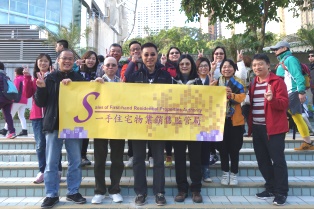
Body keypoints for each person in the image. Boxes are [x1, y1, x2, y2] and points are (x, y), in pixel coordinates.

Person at [35, 49, 86, 208]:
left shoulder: (79, 78)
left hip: (74, 125)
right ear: (58, 60)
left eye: (70, 59)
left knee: (75, 161)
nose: (67, 61)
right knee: (51, 162)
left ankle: (73, 192)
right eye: (64, 58)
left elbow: (86, 101)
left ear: (73, 61)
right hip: (53, 125)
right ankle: (51, 194)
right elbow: (41, 103)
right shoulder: (50, 78)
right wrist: (41, 88)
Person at [125, 42, 172, 206]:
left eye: (152, 54)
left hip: (158, 125)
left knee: (158, 160)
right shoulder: (134, 77)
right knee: (138, 160)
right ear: (141, 57)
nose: (150, 57)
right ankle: (140, 193)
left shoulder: (166, 76)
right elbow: (125, 97)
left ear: (157, 55)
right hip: (138, 126)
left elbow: (172, 99)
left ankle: (159, 192)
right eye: (146, 55)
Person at [248, 53, 289, 206]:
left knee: (278, 161)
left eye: (260, 64)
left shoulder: (277, 82)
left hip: (274, 129)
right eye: (254, 65)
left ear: (268, 66)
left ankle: (281, 192)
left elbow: (284, 104)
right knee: (262, 161)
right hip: (258, 128)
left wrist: (272, 100)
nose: (256, 67)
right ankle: (271, 187)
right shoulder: (253, 83)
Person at [90, 57, 125, 204]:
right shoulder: (96, 83)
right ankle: (99, 191)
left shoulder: (123, 84)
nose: (110, 67)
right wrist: (93, 86)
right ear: (103, 67)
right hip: (101, 126)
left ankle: (115, 190)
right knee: (99, 160)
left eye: (113, 65)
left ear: (117, 67)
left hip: (118, 125)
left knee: (117, 160)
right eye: (108, 65)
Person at [23, 54, 62, 184]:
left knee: (54, 144)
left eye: (46, 61)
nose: (43, 63)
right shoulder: (34, 78)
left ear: (50, 63)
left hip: (52, 115)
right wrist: (27, 78)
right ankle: (42, 170)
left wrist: (54, 77)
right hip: (37, 117)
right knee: (40, 145)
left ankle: (57, 170)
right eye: (41, 61)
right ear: (37, 63)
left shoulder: (55, 76)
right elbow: (27, 94)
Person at [171, 54, 203, 203]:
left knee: (196, 158)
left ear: (192, 66)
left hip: (195, 126)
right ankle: (182, 189)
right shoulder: (171, 82)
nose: (184, 66)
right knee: (179, 159)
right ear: (178, 66)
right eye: (182, 64)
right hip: (177, 126)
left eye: (187, 64)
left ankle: (196, 189)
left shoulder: (198, 82)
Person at [270, 41, 314, 150]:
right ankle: (307, 142)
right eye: (274, 49)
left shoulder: (290, 60)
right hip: (289, 92)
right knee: (295, 116)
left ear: (285, 48)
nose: (275, 51)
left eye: (277, 49)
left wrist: (301, 92)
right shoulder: (284, 60)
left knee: (297, 116)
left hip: (293, 92)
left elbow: (298, 76)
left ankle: (308, 142)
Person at [212, 59, 245, 186]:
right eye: (224, 67)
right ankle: (225, 172)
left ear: (234, 68)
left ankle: (234, 173)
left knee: (234, 149)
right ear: (221, 70)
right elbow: (210, 97)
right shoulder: (216, 83)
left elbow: (242, 97)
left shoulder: (239, 83)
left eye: (230, 66)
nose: (227, 69)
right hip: (220, 121)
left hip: (235, 121)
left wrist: (231, 95)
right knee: (223, 148)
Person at [122, 41, 153, 168]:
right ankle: (132, 155)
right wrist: (133, 62)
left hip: (150, 104)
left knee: (151, 131)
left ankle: (151, 155)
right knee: (132, 132)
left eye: (138, 49)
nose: (136, 52)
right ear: (130, 52)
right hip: (133, 104)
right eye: (133, 50)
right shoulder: (127, 65)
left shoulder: (149, 64)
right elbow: (126, 77)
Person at [160, 46, 182, 167]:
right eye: (172, 53)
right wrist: (162, 65)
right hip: (166, 103)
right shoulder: (164, 67)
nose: (174, 54)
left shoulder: (184, 65)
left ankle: (179, 156)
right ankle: (168, 155)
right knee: (168, 131)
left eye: (176, 53)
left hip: (182, 103)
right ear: (168, 55)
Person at [77, 50, 99, 166]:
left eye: (93, 59)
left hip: (95, 107)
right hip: (79, 107)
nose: (91, 61)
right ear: (84, 59)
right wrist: (76, 67)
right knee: (81, 133)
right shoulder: (78, 72)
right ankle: (80, 156)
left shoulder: (98, 72)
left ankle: (88, 156)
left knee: (89, 133)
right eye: (89, 58)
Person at [195, 57, 213, 183]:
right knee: (196, 147)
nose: (203, 68)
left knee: (206, 145)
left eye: (206, 65)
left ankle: (205, 170)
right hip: (195, 117)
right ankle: (196, 170)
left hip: (209, 118)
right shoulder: (193, 81)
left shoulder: (214, 81)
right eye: (201, 66)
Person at [0, 67, 28, 136]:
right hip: (24, 100)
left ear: (17, 73)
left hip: (16, 99)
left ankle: (5, 130)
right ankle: (22, 130)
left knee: (10, 114)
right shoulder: (24, 79)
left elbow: (15, 89)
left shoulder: (18, 79)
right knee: (20, 116)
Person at [0, 61, 16, 139]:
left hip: (1, 98)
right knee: (7, 115)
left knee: (7, 115)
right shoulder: (6, 76)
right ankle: (12, 132)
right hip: (8, 98)